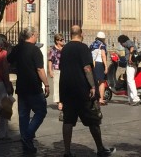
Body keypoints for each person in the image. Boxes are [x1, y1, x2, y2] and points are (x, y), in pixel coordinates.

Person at [59, 25, 114, 157]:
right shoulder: (83, 48)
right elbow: (87, 68)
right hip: (83, 91)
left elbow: (62, 68)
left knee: (68, 121)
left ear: (70, 34)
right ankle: (100, 149)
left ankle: (67, 151)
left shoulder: (65, 49)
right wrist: (93, 86)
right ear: (81, 34)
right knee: (93, 121)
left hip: (67, 90)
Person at [9, 27, 48, 153]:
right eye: (36, 35)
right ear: (31, 35)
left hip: (21, 87)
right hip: (34, 87)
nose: (37, 37)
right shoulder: (35, 50)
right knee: (41, 111)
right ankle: (27, 135)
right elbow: (40, 70)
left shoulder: (17, 48)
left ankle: (27, 144)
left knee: (23, 115)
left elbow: (7, 61)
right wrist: (46, 84)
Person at [117, 35, 140, 105]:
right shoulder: (130, 42)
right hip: (133, 64)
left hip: (131, 64)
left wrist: (130, 58)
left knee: (130, 81)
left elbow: (132, 48)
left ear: (122, 41)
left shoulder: (128, 42)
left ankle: (136, 98)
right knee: (129, 81)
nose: (121, 45)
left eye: (121, 43)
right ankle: (131, 99)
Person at [89, 31, 109, 104]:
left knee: (94, 81)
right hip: (100, 64)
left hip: (93, 64)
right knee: (102, 82)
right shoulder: (102, 45)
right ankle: (100, 99)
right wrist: (106, 66)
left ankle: (94, 98)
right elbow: (103, 55)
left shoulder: (92, 44)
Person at [48, 32, 64, 119]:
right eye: (61, 40)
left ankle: (63, 100)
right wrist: (50, 71)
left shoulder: (65, 49)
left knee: (64, 86)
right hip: (57, 69)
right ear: (57, 41)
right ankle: (59, 102)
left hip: (64, 70)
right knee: (57, 86)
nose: (63, 41)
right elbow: (50, 60)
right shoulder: (53, 50)